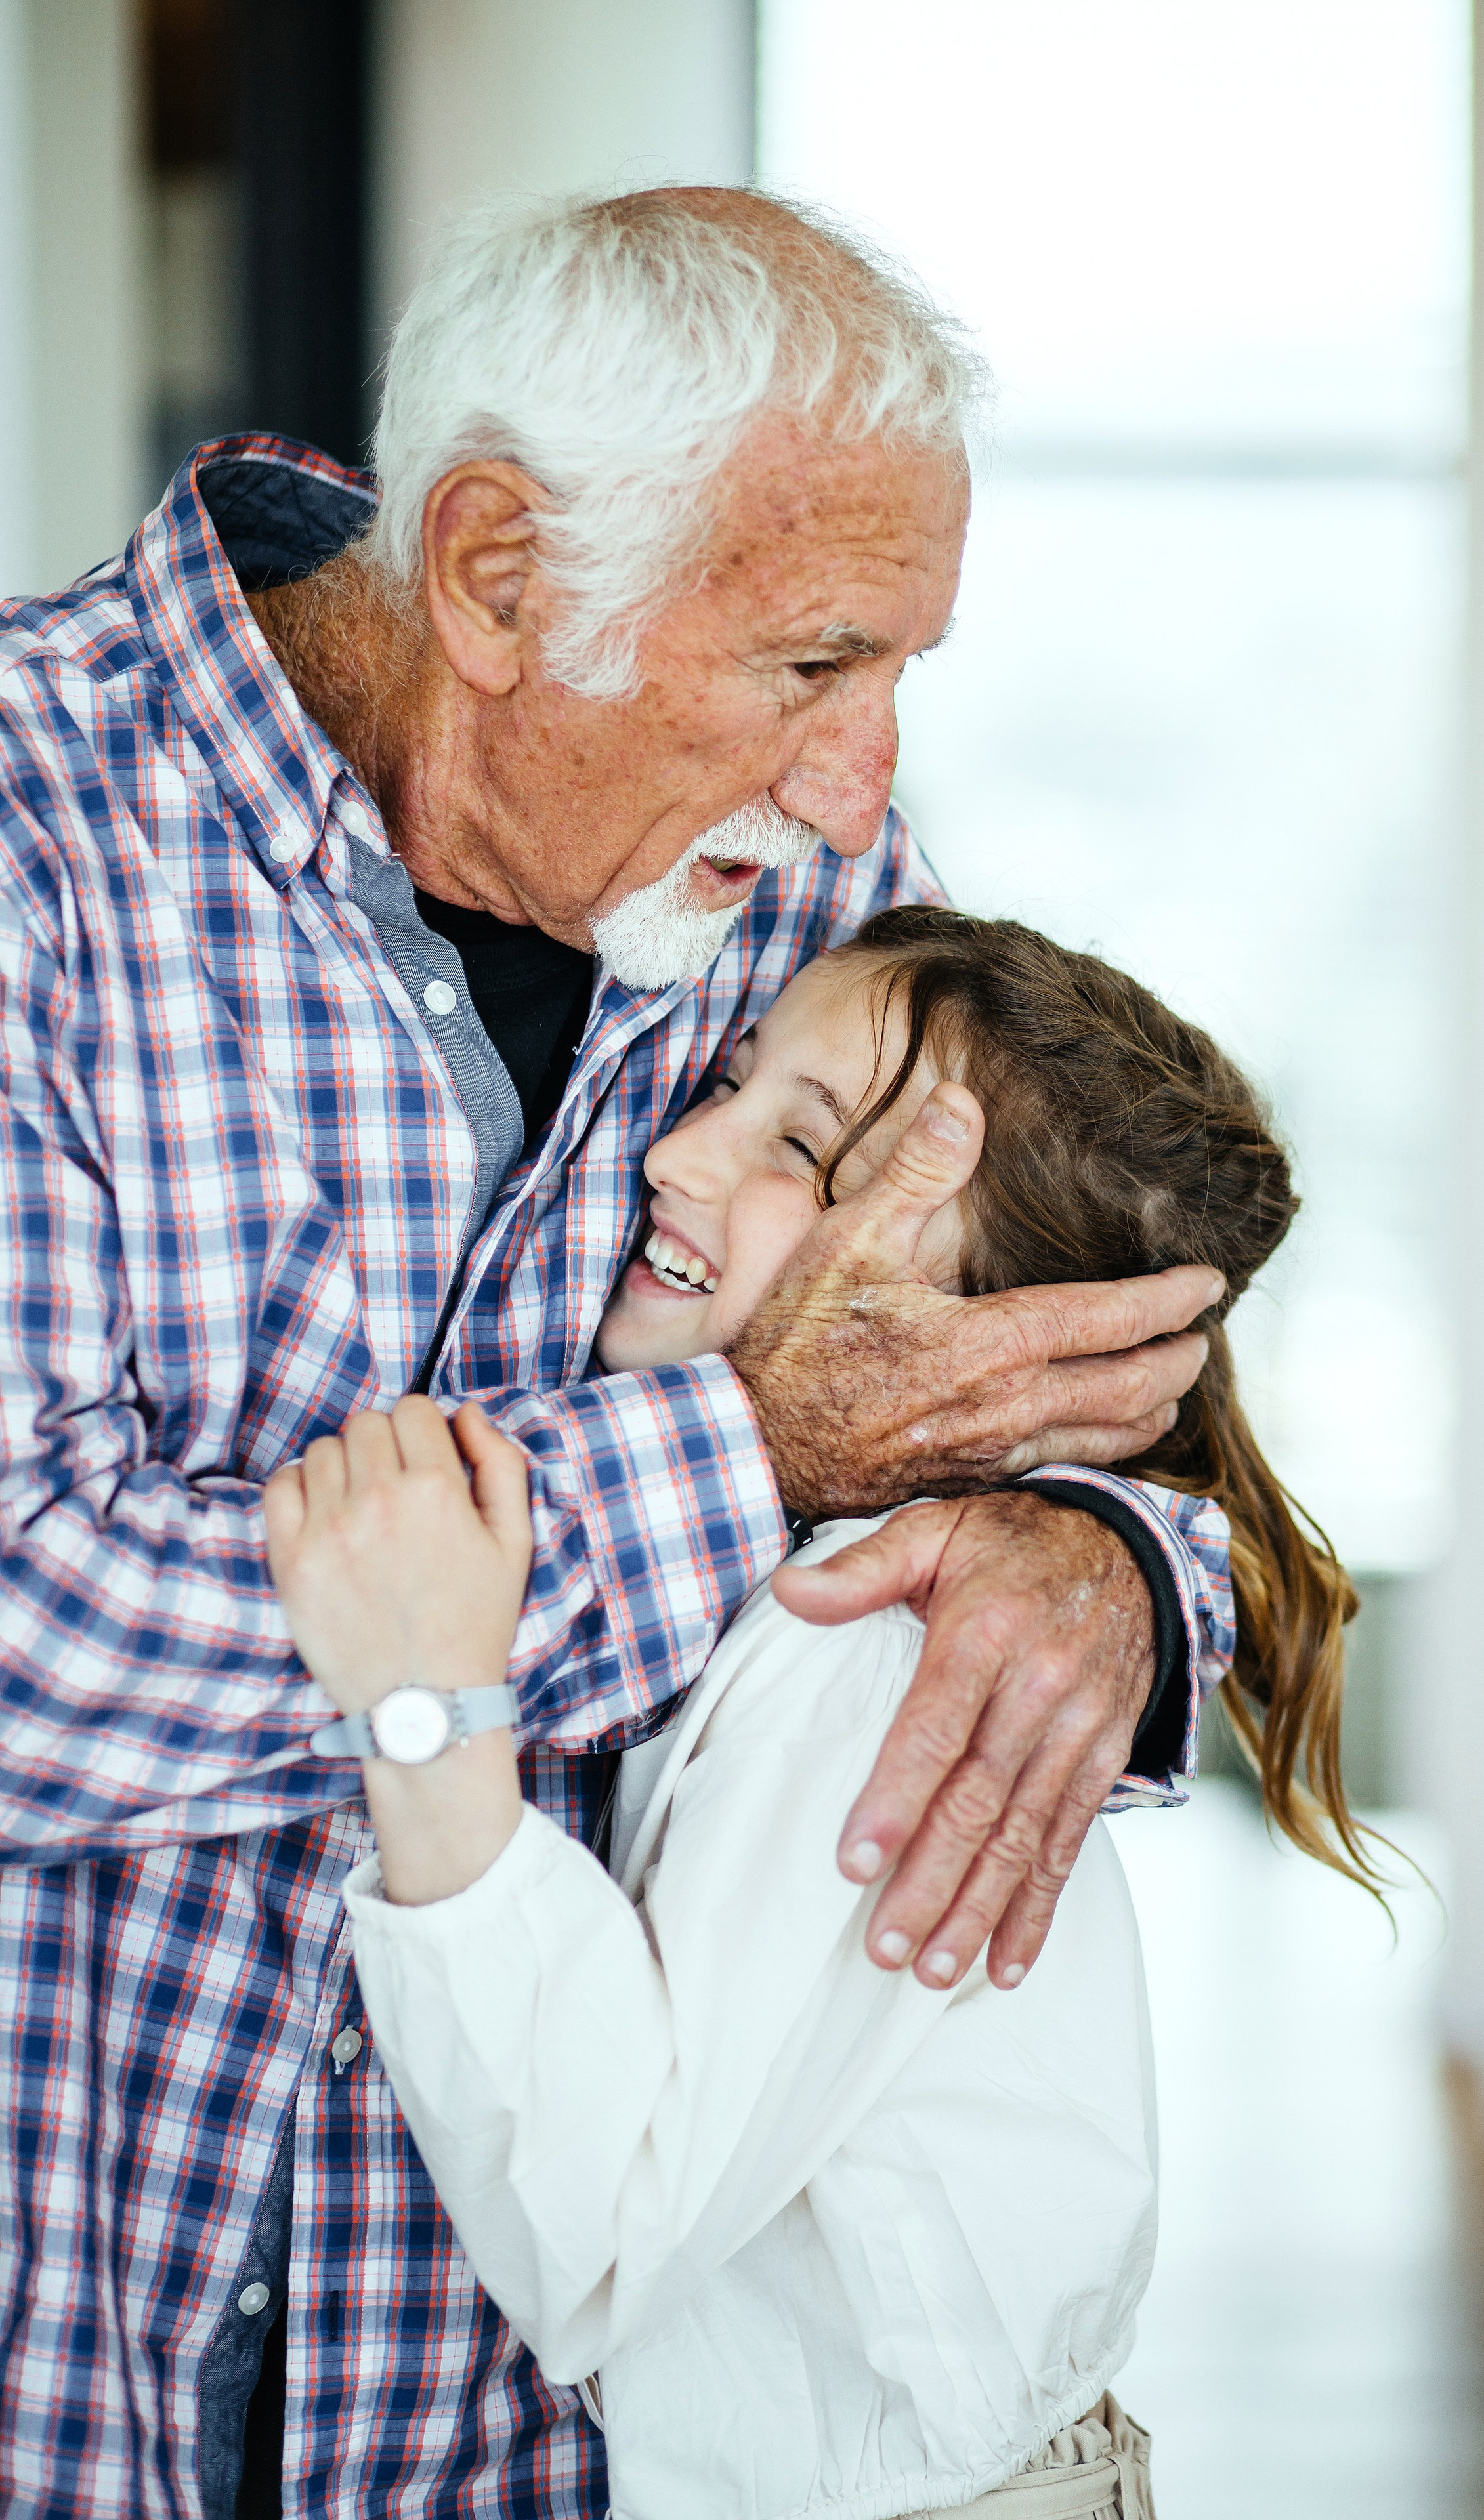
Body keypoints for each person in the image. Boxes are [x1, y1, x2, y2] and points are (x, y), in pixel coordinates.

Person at [0, 195, 1223, 2518]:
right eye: (813, 664)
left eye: (899, 672)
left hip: (539, 2442)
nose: (864, 782)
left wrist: (1115, 1564)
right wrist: (739, 1459)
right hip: (76, 2382)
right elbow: (26, 1638)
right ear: (491, 577)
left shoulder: (808, 887)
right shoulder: (29, 831)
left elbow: (1072, 1314)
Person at [262, 909, 1374, 2520]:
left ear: (992, 1338)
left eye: (800, 1147)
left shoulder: (867, 1654)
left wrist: (424, 1712)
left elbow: (605, 2238)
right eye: (727, 1083)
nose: (673, 1154)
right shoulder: (795, 1594)